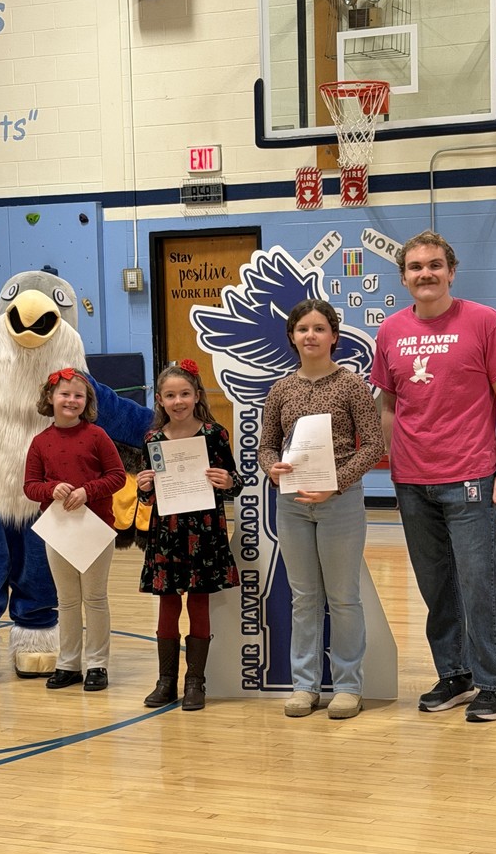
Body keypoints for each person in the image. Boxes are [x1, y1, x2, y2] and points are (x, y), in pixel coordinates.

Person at [370, 230, 496, 723]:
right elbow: (388, 404)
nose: (426, 274)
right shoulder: (391, 330)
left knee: (480, 584)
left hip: (471, 477)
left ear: (451, 271)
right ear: (404, 277)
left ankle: (494, 684)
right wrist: (394, 468)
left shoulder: (485, 322)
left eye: (435, 265)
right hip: (413, 482)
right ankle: (455, 674)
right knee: (435, 585)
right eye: (416, 267)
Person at [258, 299, 385, 720]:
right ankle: (305, 685)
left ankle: (348, 685)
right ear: (292, 337)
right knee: (304, 598)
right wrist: (271, 468)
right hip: (292, 503)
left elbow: (373, 446)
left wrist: (336, 483)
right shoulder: (281, 389)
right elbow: (267, 444)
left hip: (340, 503)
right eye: (302, 329)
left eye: (318, 328)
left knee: (343, 597)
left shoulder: (351, 386)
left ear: (333, 336)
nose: (310, 335)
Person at [136, 359, 243, 711]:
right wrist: (144, 486)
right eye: (170, 395)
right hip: (166, 535)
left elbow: (235, 481)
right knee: (167, 605)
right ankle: (165, 680)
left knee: (199, 603)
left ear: (197, 395)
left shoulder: (214, 434)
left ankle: (195, 681)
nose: (178, 401)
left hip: (205, 532)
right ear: (160, 400)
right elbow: (148, 495)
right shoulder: (153, 439)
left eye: (184, 393)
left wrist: (228, 482)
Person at [24, 367, 126, 691]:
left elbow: (117, 476)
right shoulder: (40, 442)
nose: (71, 400)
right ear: (50, 398)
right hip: (59, 531)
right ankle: (68, 663)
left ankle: (97, 663)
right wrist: (51, 489)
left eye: (78, 395)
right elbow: (30, 486)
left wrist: (88, 491)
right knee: (67, 600)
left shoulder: (97, 436)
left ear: (87, 401)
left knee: (94, 598)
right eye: (65, 394)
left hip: (95, 529)